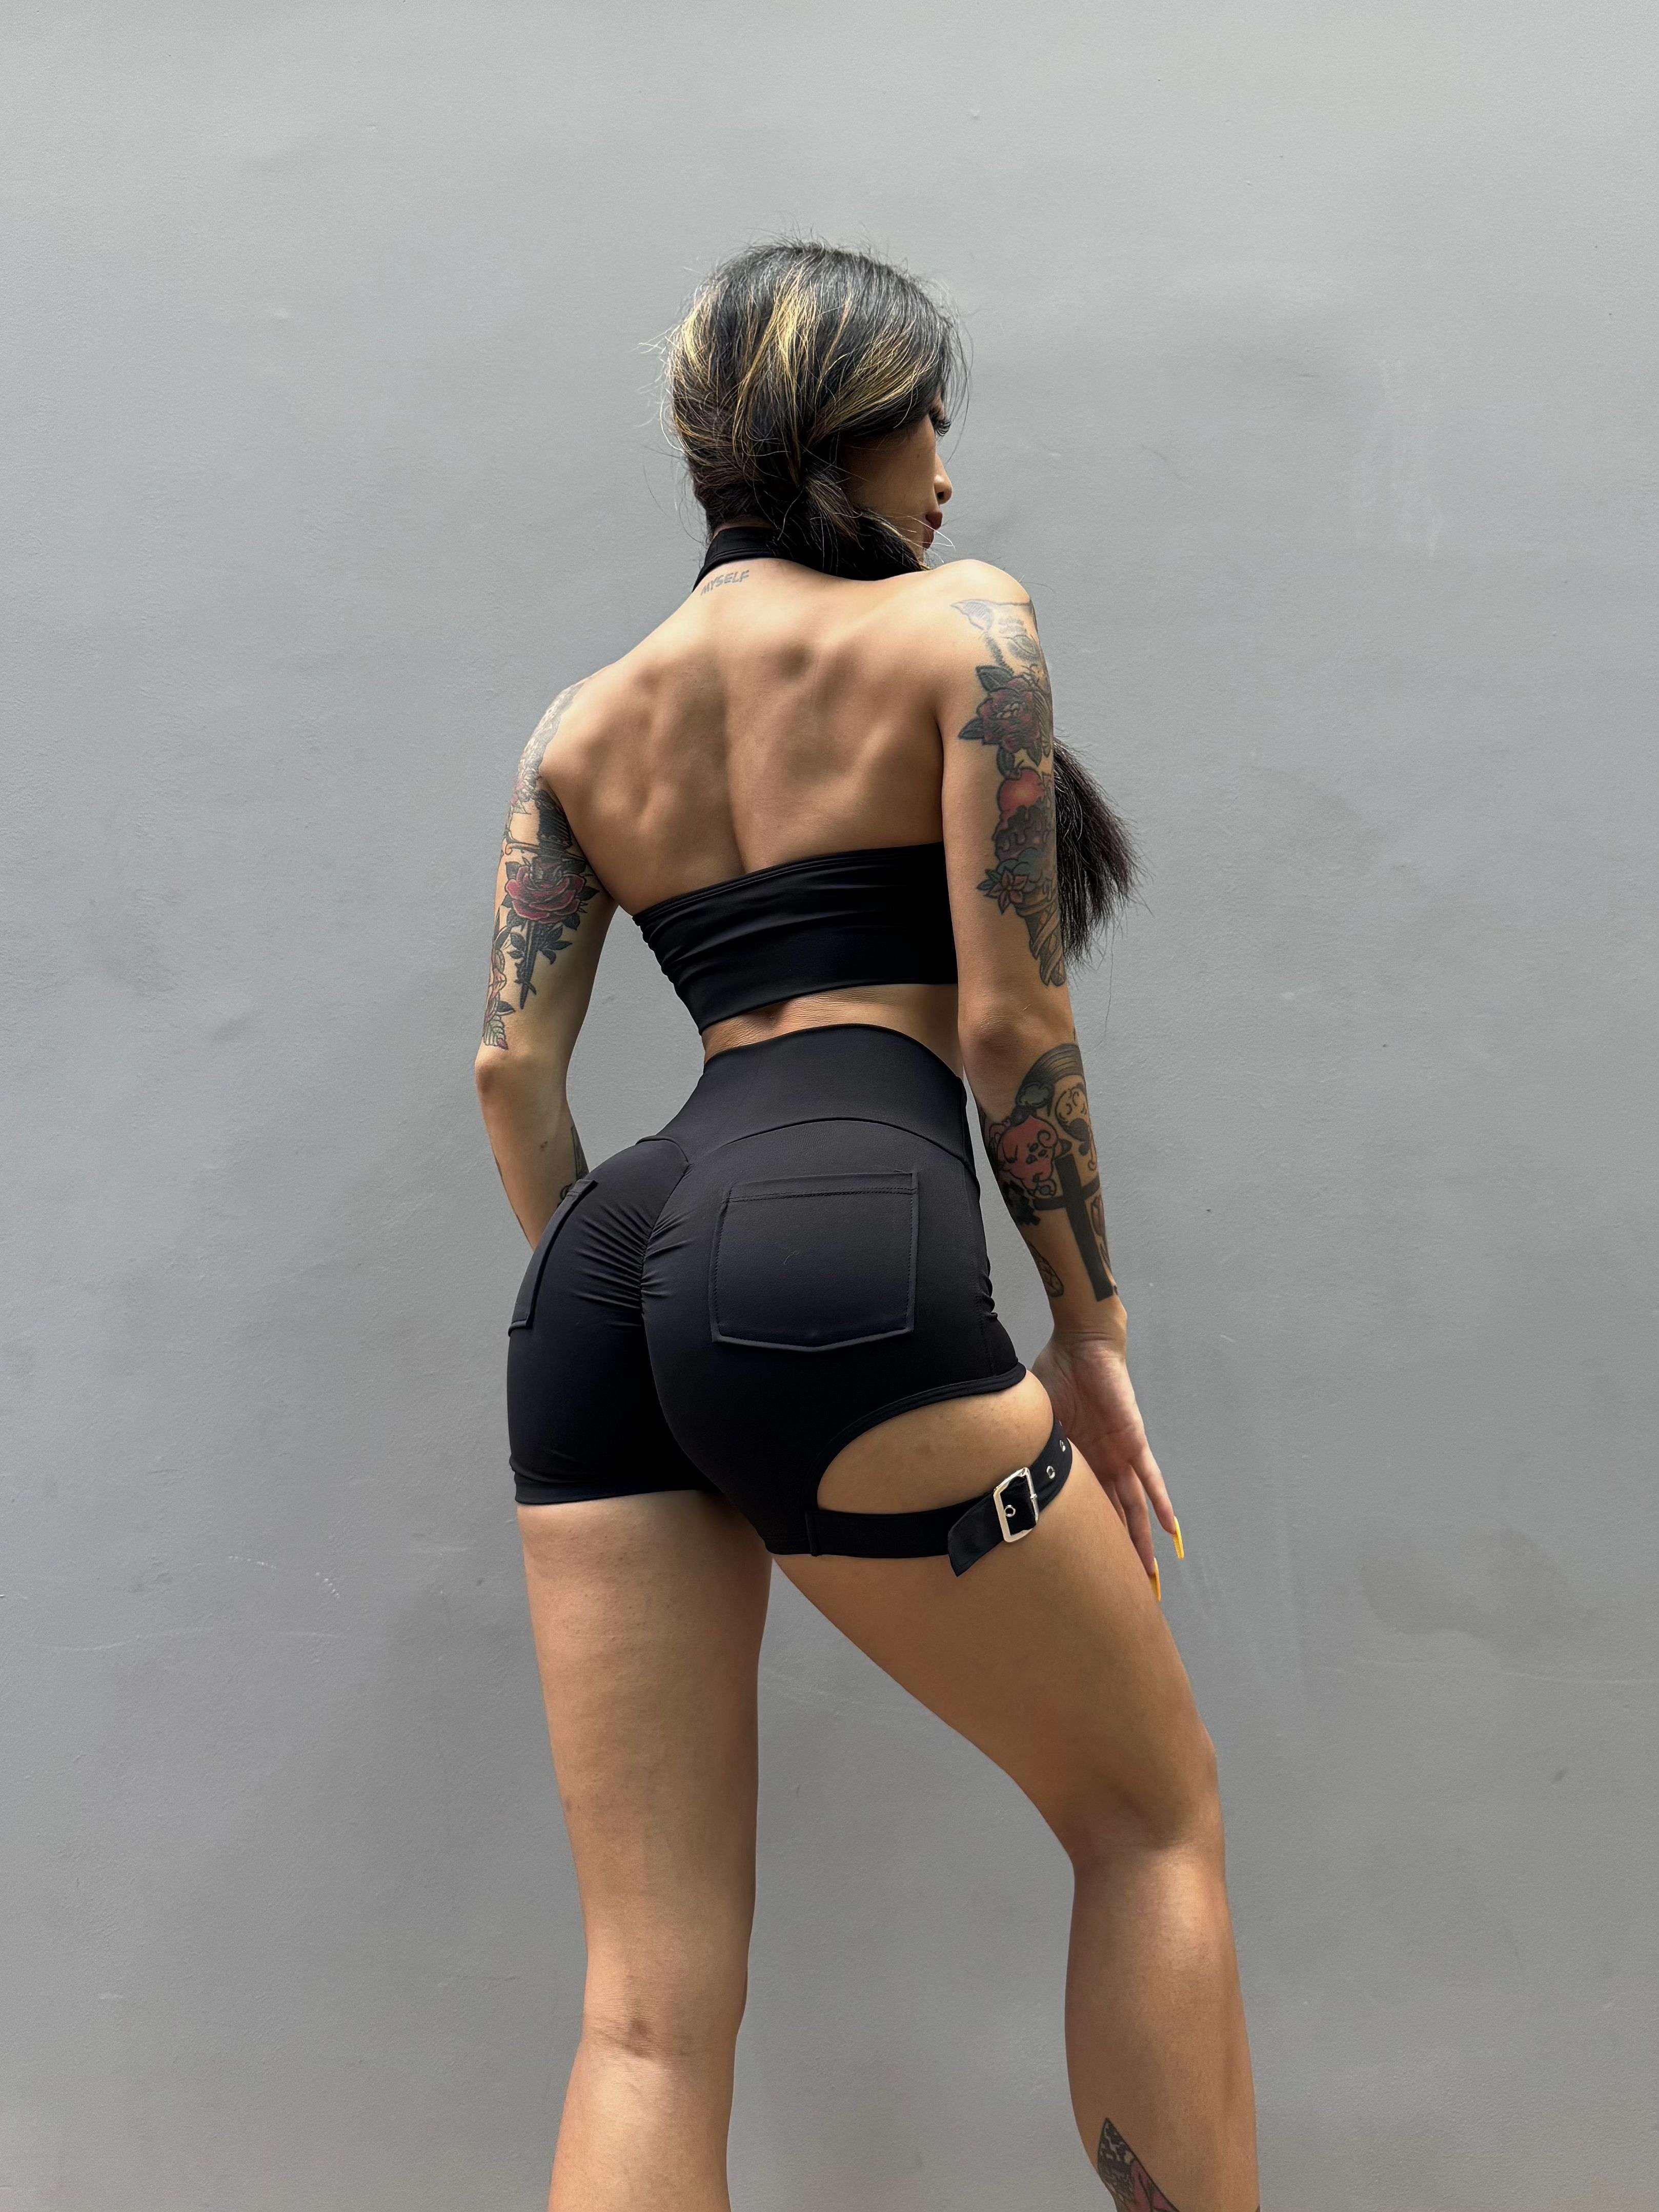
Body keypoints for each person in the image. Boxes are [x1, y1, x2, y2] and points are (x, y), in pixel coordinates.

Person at [474, 239, 1260, 2212]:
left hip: (607, 1268)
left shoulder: (582, 721)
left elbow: (509, 1073)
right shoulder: (963, 624)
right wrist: (1089, 1331)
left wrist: (657, 1319)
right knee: (1148, 1820)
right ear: (852, 423)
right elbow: (1008, 1022)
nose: (945, 475)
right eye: (929, 424)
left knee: (646, 2006)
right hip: (841, 1214)